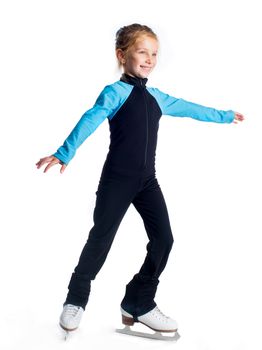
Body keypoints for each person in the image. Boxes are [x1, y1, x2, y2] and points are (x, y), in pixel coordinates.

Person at [36, 23, 244, 336]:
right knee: (101, 240)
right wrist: (65, 152)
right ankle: (75, 300)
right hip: (117, 181)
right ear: (122, 55)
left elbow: (191, 109)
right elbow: (90, 119)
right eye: (141, 52)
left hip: (147, 181)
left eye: (154, 53)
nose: (149, 58)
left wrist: (225, 116)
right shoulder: (115, 92)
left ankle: (139, 301)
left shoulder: (157, 97)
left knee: (164, 240)